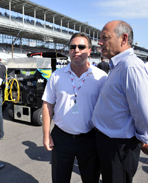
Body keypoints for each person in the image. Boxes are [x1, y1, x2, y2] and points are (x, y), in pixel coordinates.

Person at [92, 20, 148, 183]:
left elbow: (143, 110)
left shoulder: (131, 67)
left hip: (119, 147)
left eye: (105, 37)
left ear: (123, 39)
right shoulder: (118, 65)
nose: (99, 42)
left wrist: (145, 137)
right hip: (109, 143)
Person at [42, 33, 108, 183]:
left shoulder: (101, 77)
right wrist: (46, 134)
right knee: (60, 179)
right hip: (61, 138)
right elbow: (47, 104)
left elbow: (108, 109)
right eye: (72, 47)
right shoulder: (57, 76)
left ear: (90, 51)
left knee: (90, 179)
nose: (76, 50)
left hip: (90, 138)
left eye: (81, 47)